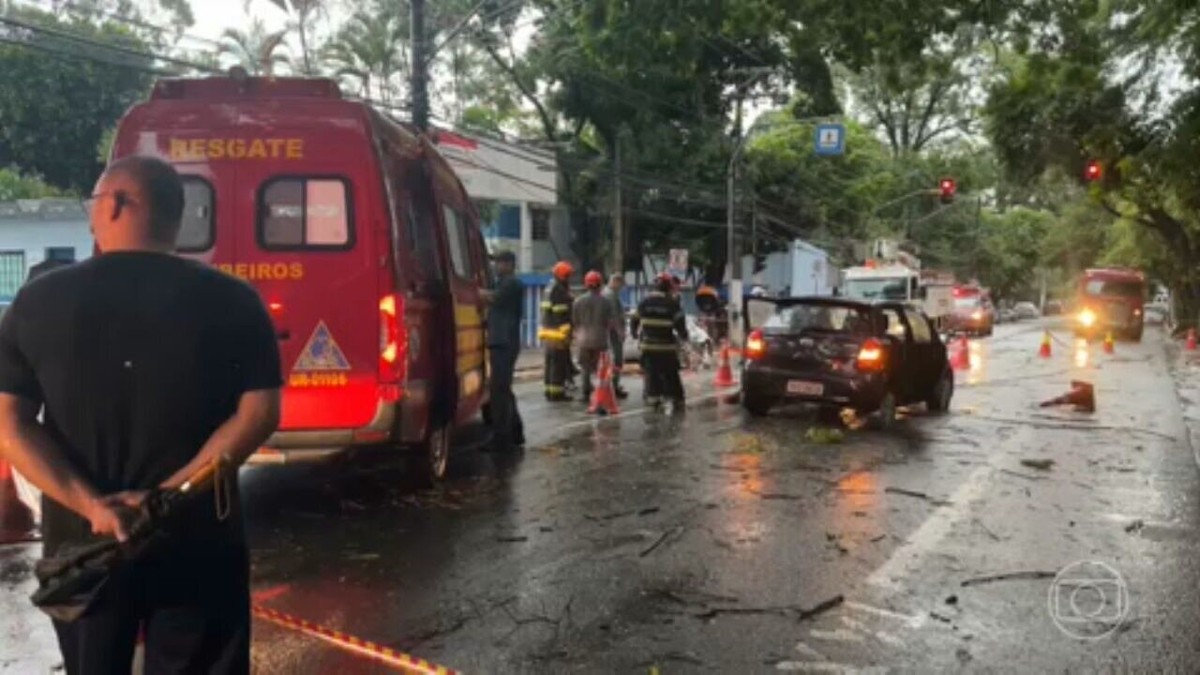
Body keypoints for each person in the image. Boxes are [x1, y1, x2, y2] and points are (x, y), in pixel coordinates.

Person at [0, 156, 282, 674]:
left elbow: (11, 424)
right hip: (197, 541)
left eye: (94, 202)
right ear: (175, 217)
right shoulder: (233, 302)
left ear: (117, 205)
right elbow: (260, 413)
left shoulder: (38, 302)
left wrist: (94, 507)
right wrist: (167, 498)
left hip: (86, 553)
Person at [482, 250, 525, 452]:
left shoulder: (512, 284)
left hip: (504, 342)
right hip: (500, 341)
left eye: (498, 263)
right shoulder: (502, 282)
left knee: (498, 390)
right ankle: (515, 430)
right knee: (502, 388)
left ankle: (501, 436)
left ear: (508, 264)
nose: (495, 267)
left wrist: (475, 293)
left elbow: (493, 299)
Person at [631, 273, 688, 410]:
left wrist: (634, 333)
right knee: (671, 374)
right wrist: (684, 337)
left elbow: (634, 320)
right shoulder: (672, 304)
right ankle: (676, 399)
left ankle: (653, 399)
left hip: (648, 346)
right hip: (666, 348)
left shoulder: (644, 302)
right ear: (668, 288)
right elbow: (681, 326)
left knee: (652, 374)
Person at [572, 270, 616, 403]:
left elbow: (575, 321)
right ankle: (601, 396)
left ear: (586, 284)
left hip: (583, 339)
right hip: (600, 339)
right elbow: (610, 322)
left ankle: (585, 394)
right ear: (600, 284)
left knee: (585, 367)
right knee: (601, 369)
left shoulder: (578, 301)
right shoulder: (606, 302)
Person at [539, 260, 574, 401]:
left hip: (547, 332)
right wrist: (567, 334)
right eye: (568, 276)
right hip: (558, 334)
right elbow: (562, 313)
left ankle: (549, 390)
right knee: (558, 365)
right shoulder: (559, 290)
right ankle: (557, 393)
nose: (569, 278)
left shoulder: (548, 287)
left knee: (550, 363)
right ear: (563, 275)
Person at [601, 273, 629, 399]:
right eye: (621, 285)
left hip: (610, 333)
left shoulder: (609, 294)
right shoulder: (610, 295)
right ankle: (614, 386)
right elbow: (613, 317)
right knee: (617, 360)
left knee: (615, 360)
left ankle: (613, 385)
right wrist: (620, 331)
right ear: (616, 282)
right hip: (612, 334)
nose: (621, 288)